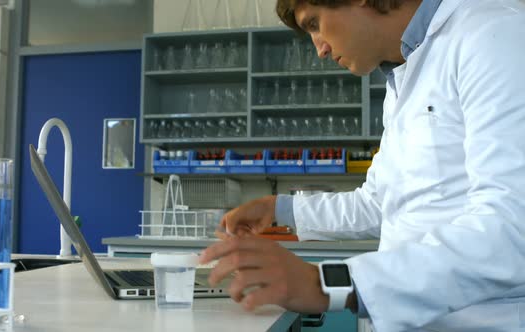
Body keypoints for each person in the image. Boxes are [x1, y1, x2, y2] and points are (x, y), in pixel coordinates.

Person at [199, 0, 525, 331]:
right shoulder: (403, 73)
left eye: (315, 24)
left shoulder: (494, 33)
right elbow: (380, 202)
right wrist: (280, 208)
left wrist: (329, 283)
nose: (320, 50)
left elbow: (512, 229)